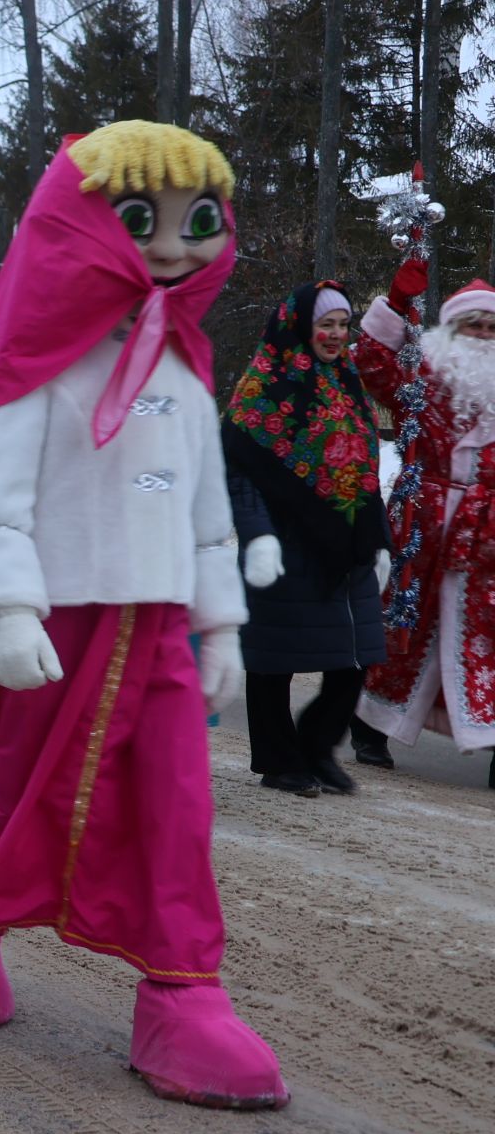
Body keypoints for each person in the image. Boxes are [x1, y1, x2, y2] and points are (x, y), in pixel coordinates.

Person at [0, 120, 285, 1110]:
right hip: (61, 620)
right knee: (26, 787)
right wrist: (12, 611)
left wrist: (220, 625)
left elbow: (208, 513)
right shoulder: (40, 360)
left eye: (195, 220)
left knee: (178, 804)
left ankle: (181, 996)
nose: (171, 243)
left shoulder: (185, 366)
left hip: (159, 628)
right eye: (140, 219)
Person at [223, 282, 388, 797]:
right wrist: (259, 539)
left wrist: (377, 537)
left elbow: (362, 462)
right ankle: (278, 760)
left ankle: (316, 747)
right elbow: (240, 471)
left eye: (344, 324)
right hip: (286, 541)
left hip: (346, 542)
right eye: (327, 324)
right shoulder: (262, 387)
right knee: (275, 657)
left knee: (357, 656)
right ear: (299, 325)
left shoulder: (345, 380)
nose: (337, 335)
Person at [349, 262, 495, 788]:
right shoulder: (425, 375)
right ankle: (369, 725)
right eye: (471, 325)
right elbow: (372, 363)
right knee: (403, 627)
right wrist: (393, 302)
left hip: (487, 537)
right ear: (451, 330)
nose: (481, 336)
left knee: (485, 636)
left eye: (490, 327)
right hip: (425, 522)